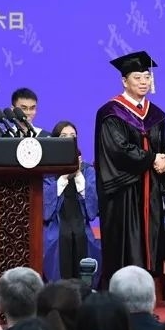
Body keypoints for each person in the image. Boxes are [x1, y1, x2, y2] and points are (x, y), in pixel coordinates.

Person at [93, 50, 165, 287]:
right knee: (126, 246)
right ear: (124, 81)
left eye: (147, 77)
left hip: (150, 189)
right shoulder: (111, 112)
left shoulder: (156, 115)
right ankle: (121, 294)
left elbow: (162, 149)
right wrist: (152, 158)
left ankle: (144, 291)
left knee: (151, 243)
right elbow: (118, 150)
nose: (143, 82)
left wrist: (164, 161)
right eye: (137, 77)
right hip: (124, 191)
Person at [42, 121, 101, 285]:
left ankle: (85, 291)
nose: (69, 139)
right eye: (63, 136)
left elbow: (93, 210)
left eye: (72, 136)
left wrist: (78, 175)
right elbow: (44, 211)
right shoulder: (46, 171)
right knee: (56, 242)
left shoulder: (87, 170)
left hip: (81, 226)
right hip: (55, 227)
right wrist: (63, 178)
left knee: (88, 242)